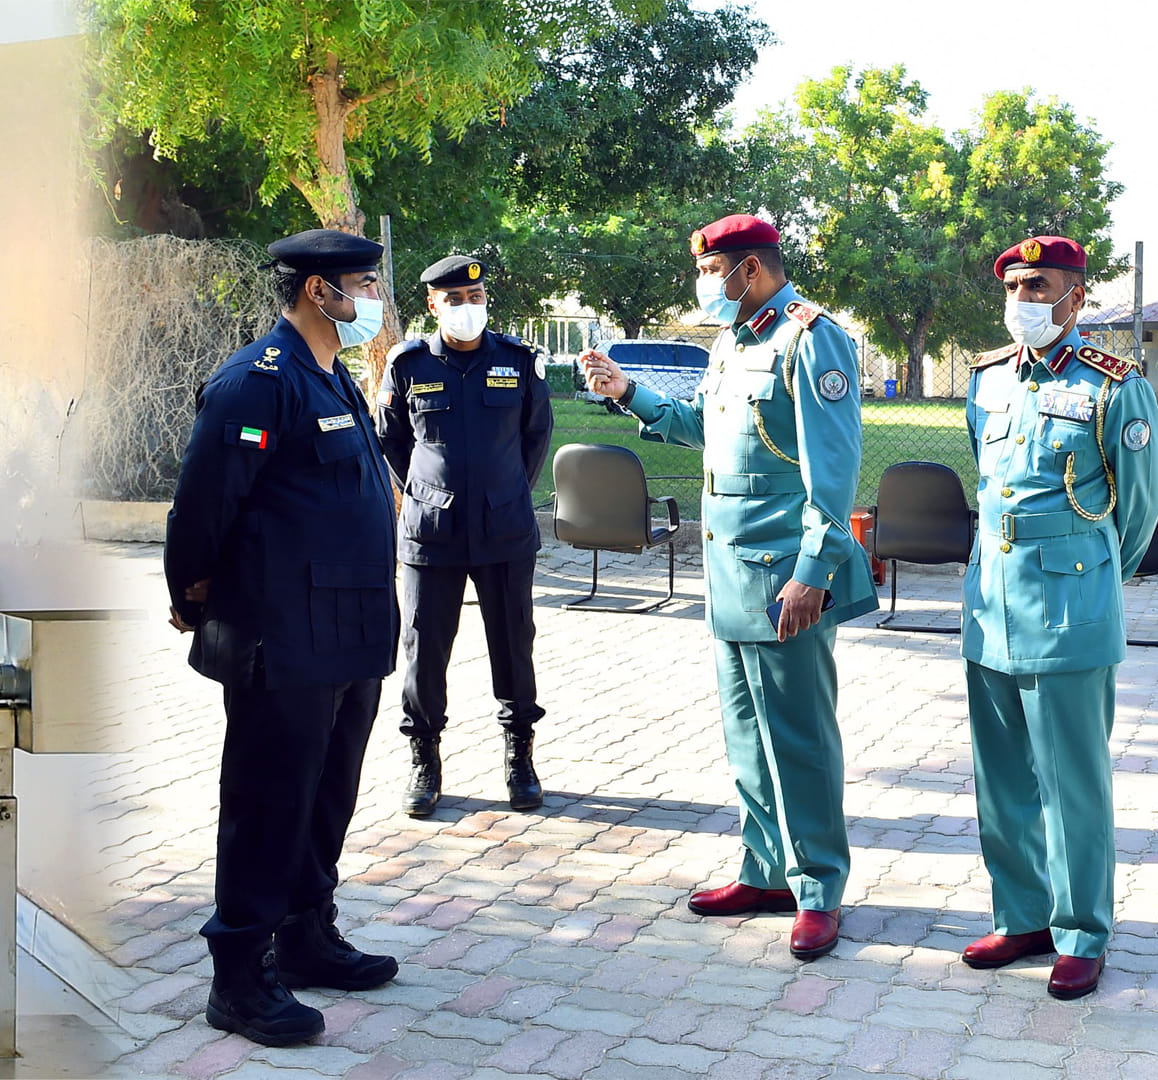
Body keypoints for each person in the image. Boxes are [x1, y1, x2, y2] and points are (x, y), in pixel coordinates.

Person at [581, 213, 876, 961]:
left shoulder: (811, 339)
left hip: (784, 579)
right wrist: (630, 393)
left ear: (750, 269)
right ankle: (765, 872)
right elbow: (708, 431)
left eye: (711, 271)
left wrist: (813, 573)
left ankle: (818, 889)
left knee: (800, 738)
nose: (702, 284)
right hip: (730, 574)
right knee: (747, 734)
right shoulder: (733, 340)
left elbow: (833, 471)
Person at [164, 228, 402, 1047]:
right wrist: (191, 592)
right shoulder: (257, 380)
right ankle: (239, 975)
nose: (372, 299)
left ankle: (306, 933)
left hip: (349, 629)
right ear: (315, 291)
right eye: (362, 285)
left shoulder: (331, 375)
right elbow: (203, 504)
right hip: (285, 632)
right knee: (268, 802)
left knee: (326, 794)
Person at [958, 235, 1158, 1000]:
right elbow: (990, 484)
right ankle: (1022, 917)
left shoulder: (1115, 384)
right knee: (1001, 779)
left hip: (1069, 607)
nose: (1022, 299)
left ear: (1076, 298)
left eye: (1038, 286)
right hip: (991, 604)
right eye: (1014, 286)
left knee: (1071, 783)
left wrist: (1096, 575)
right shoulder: (987, 378)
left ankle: (1081, 933)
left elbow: (1139, 509)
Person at [374, 255, 553, 817]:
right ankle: (424, 759)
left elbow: (535, 437)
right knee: (423, 649)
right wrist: (426, 491)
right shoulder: (408, 364)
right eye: (454, 300)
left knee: (514, 645)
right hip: (431, 532)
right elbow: (392, 440)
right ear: (433, 305)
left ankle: (520, 757)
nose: (467, 308)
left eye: (475, 298)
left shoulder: (517, 360)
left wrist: (506, 491)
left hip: (504, 529)